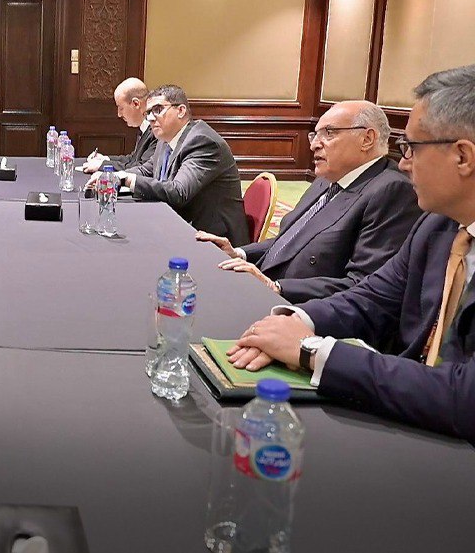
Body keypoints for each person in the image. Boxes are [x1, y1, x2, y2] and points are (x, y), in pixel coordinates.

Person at [230, 64, 475, 444]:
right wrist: (296, 321)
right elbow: (372, 297)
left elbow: (465, 398)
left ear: (463, 157)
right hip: (409, 413)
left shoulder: (407, 201)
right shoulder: (438, 226)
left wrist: (311, 350)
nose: (403, 163)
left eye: (411, 148)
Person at [196, 101, 421, 303]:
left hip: (302, 310)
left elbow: (362, 284)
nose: (314, 145)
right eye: (314, 135)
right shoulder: (327, 179)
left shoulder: (391, 190)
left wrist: (277, 287)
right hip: (262, 289)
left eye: (329, 133)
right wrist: (239, 254)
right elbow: (289, 240)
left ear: (367, 139)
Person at [100, 84, 249, 245]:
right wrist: (113, 176)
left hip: (212, 240)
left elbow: (179, 192)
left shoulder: (202, 142)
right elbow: (145, 170)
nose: (150, 118)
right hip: (180, 225)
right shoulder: (165, 140)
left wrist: (127, 179)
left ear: (181, 111)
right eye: (148, 113)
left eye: (158, 110)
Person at [81, 77, 158, 174]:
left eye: (121, 108)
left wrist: (102, 165)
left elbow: (141, 168)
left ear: (136, 104)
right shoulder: (144, 127)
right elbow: (133, 159)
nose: (119, 114)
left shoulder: (157, 130)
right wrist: (105, 159)